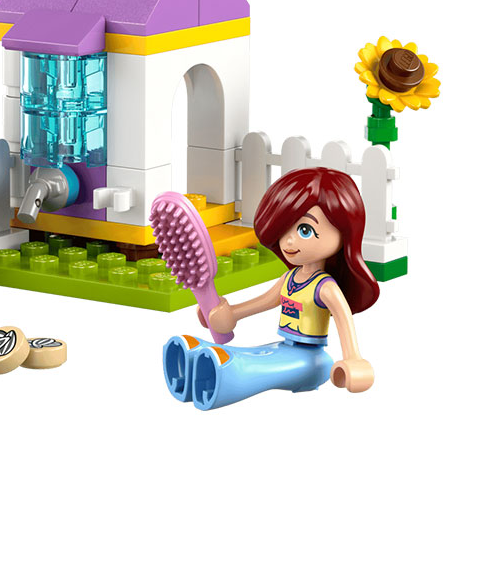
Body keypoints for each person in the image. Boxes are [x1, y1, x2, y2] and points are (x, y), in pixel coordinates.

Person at [162, 167, 380, 410]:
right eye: (284, 228)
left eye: (304, 230)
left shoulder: (325, 288)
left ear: (343, 233)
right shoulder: (290, 278)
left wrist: (353, 359)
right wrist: (230, 315)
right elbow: (263, 302)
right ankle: (198, 359)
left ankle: (225, 374)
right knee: (247, 355)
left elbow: (343, 319)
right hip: (283, 347)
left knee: (252, 367)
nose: (288, 240)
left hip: (311, 361)